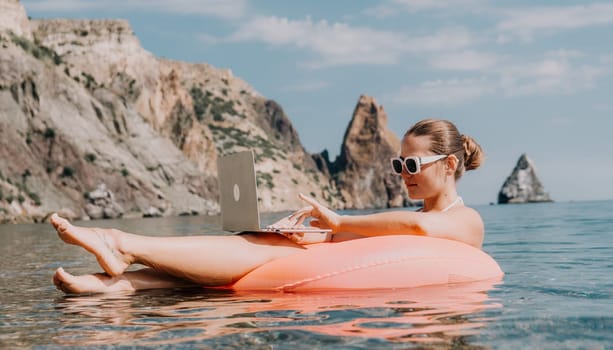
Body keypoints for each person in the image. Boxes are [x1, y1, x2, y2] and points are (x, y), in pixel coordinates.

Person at [51, 118, 485, 294]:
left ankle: (121, 243)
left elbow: (420, 231)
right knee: (261, 242)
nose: (403, 172)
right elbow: (349, 237)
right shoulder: (410, 217)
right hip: (334, 261)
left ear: (449, 165)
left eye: (411, 163)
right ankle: (117, 285)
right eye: (398, 163)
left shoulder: (467, 220)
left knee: (257, 251)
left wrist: (340, 219)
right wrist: (313, 230)